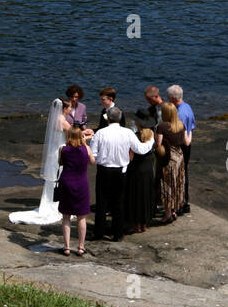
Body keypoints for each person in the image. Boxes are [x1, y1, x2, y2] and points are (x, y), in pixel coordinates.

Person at [89, 106, 155, 241]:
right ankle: (117, 234)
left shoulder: (100, 133)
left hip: (104, 170)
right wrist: (151, 140)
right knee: (118, 203)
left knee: (102, 202)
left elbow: (93, 154)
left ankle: (98, 233)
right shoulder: (128, 133)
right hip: (121, 171)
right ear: (120, 119)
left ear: (108, 119)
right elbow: (140, 149)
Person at [56, 126, 91, 256]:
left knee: (66, 216)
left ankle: (67, 247)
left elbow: (60, 163)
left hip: (66, 182)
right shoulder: (85, 149)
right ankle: (81, 247)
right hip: (81, 183)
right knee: (81, 217)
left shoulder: (63, 149)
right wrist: (85, 143)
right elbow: (92, 161)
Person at [123, 111, 158, 234]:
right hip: (148, 168)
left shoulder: (135, 137)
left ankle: (136, 224)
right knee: (146, 195)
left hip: (136, 169)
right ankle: (144, 223)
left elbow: (131, 157)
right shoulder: (151, 135)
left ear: (138, 123)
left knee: (136, 196)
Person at [155, 101, 191, 223]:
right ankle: (174, 210)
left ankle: (167, 214)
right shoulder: (181, 125)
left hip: (169, 157)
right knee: (177, 183)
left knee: (167, 184)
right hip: (179, 156)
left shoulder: (162, 126)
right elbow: (187, 142)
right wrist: (190, 132)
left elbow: (158, 144)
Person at [166, 85, 196, 214]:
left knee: (180, 174)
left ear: (173, 98)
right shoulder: (187, 107)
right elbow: (192, 127)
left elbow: (181, 133)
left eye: (168, 98)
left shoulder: (180, 114)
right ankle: (184, 202)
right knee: (184, 173)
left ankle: (181, 204)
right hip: (187, 144)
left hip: (181, 146)